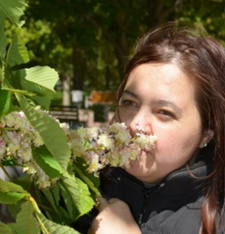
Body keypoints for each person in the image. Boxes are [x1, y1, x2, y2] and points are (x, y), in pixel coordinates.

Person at [76, 23, 225, 234]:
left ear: (206, 133)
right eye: (129, 103)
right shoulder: (76, 186)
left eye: (164, 112)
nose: (136, 124)